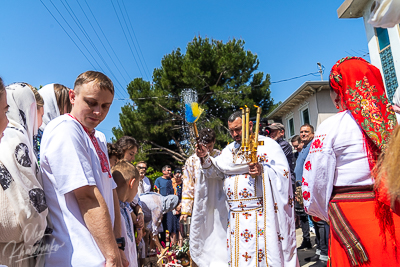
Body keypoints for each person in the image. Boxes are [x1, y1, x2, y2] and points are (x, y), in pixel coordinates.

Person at [302, 57, 400, 266]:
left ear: (340, 90)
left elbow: (317, 182)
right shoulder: (394, 122)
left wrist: (321, 213)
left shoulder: (332, 126)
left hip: (351, 214)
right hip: (395, 210)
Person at [40, 71, 128, 266]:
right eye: (91, 103)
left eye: (106, 106)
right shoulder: (64, 128)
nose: (99, 112)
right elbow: (86, 196)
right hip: (76, 256)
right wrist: (113, 256)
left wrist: (118, 245)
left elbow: (111, 192)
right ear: (72, 96)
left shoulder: (97, 137)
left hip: (101, 254)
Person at [195, 111, 299, 267]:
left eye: (238, 129)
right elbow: (216, 173)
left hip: (260, 214)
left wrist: (263, 170)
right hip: (235, 217)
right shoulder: (229, 150)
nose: (235, 134)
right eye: (231, 131)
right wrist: (205, 157)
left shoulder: (268, 145)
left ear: (250, 125)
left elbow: (283, 174)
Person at [0, 82, 49, 267]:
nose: (41, 122)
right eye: (38, 113)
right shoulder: (15, 136)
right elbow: (29, 205)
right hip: (14, 253)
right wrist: (37, 234)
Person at [112, 160, 141, 267]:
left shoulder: (126, 208)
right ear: (132, 183)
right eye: (137, 186)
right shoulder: (113, 212)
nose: (137, 190)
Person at [268, 123, 296, 190]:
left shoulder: (284, 144)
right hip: (278, 180)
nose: (270, 134)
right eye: (270, 131)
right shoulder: (272, 144)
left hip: (286, 180)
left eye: (273, 131)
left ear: (282, 132)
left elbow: (271, 157)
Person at [171, 169, 183, 247]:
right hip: (172, 208)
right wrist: (174, 207)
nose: (178, 177)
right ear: (173, 175)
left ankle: (180, 247)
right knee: (173, 229)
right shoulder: (171, 184)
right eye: (176, 175)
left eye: (179, 176)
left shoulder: (184, 184)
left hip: (182, 208)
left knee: (180, 228)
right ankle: (173, 248)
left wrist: (180, 206)